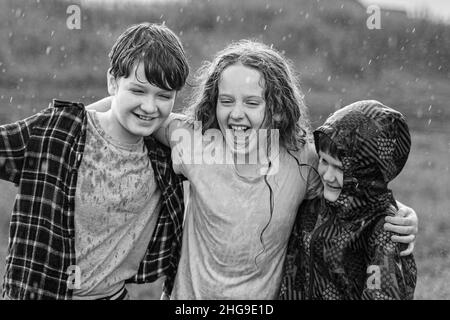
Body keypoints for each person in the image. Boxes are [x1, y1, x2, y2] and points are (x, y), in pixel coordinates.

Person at [89, 40, 418, 300]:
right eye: (226, 100)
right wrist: (74, 120)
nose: (236, 114)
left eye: (251, 102)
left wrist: (400, 212)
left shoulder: (300, 159)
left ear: (276, 109)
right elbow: (130, 111)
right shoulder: (195, 142)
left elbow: (351, 181)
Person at [0, 22, 189, 300]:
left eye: (164, 96)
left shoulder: (164, 156)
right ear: (113, 81)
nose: (150, 107)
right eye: (138, 91)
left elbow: (228, 141)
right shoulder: (58, 132)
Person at [279, 100, 417, 299]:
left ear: (367, 174)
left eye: (340, 168)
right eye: (324, 161)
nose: (327, 175)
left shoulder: (383, 230)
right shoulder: (314, 205)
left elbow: (383, 294)